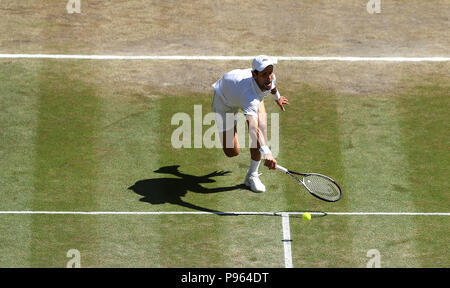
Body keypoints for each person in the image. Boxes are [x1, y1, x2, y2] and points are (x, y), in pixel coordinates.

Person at [211, 55, 289, 192]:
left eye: (270, 72)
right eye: (264, 74)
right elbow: (253, 128)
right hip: (224, 102)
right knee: (232, 151)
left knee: (261, 127)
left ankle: (252, 175)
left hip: (242, 93)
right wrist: (267, 153)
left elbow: (272, 86)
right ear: (254, 75)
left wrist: (277, 98)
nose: (269, 77)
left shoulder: (268, 78)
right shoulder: (249, 97)